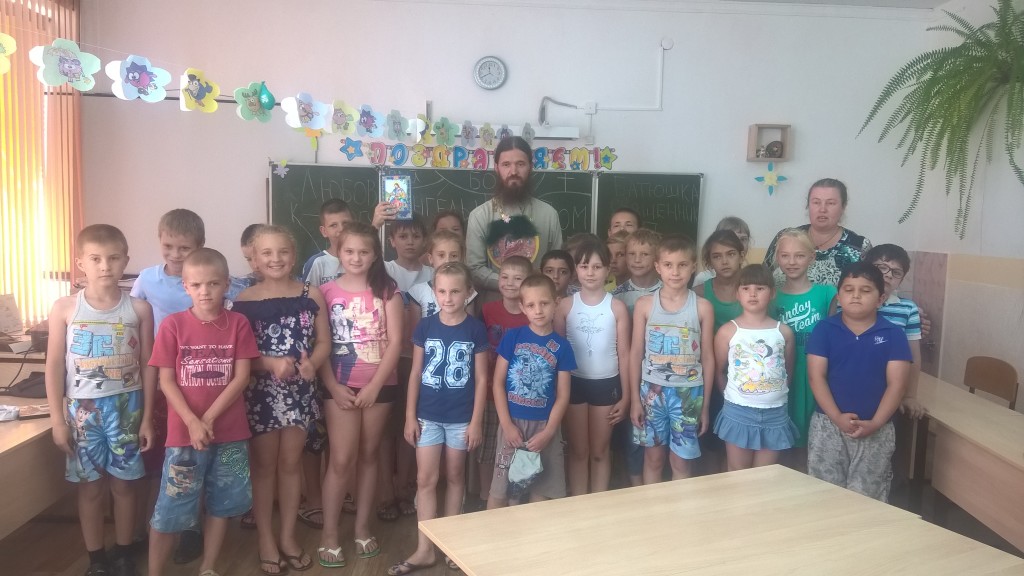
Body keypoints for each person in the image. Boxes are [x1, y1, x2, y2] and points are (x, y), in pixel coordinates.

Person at [45, 224, 155, 576]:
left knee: (124, 485)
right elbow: (54, 365)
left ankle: (123, 552)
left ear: (126, 260)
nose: (105, 266)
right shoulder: (65, 308)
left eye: (113, 258)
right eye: (95, 259)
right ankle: (96, 559)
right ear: (80, 263)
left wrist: (148, 418)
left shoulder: (139, 309)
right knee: (90, 487)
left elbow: (148, 365)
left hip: (127, 408)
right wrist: (57, 420)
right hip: (82, 411)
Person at [147, 248, 260, 576]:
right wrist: (193, 422)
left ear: (226, 284)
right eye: (196, 285)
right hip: (183, 436)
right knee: (170, 508)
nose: (205, 291)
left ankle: (208, 567)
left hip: (231, 434)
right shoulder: (172, 326)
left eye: (213, 284)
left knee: (223, 504)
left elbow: (242, 377)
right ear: (185, 286)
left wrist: (207, 420)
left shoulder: (238, 324)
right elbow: (166, 381)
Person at [232, 226, 331, 574]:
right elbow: (240, 355)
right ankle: (266, 539)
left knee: (290, 465)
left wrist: (313, 364)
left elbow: (324, 342)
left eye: (283, 252)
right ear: (255, 260)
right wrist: (269, 363)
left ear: (294, 255)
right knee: (263, 468)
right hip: (260, 394)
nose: (276, 259)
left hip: (299, 393)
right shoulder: (244, 301)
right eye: (267, 253)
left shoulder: (311, 294)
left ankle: (287, 537)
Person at [388, 263, 489, 576]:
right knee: (425, 480)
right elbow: (415, 373)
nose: (448, 297)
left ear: (468, 292)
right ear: (434, 292)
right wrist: (409, 416)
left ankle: (450, 544)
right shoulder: (425, 326)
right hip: (428, 417)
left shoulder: (475, 329)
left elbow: (482, 379)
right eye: (442, 291)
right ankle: (425, 549)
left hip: (461, 418)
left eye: (455, 291)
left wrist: (476, 422)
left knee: (455, 477)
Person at [317, 222, 403, 567]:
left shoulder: (388, 291)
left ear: (375, 255)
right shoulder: (324, 292)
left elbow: (396, 342)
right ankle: (329, 534)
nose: (356, 257)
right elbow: (320, 345)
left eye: (364, 251)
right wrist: (332, 386)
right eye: (349, 251)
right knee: (341, 460)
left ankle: (362, 528)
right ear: (338, 252)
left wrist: (374, 387)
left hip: (379, 386)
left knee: (369, 456)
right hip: (339, 386)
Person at [130, 208, 209, 564]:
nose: (175, 255)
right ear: (159, 241)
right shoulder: (147, 279)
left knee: (193, 457)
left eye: (184, 248)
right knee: (158, 457)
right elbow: (132, 317)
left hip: (197, 381)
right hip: (158, 382)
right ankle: (150, 528)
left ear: (200, 245)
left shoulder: (203, 279)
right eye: (168, 246)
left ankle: (192, 527)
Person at [806, 263, 911, 502]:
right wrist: (836, 417)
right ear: (839, 295)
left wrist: (876, 423)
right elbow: (816, 377)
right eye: (849, 289)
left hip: (876, 427)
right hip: (827, 425)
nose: (855, 296)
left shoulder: (894, 334)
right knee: (824, 493)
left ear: (880, 299)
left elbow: (897, 385)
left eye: (865, 290)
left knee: (868, 496)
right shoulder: (824, 329)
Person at [629, 234, 714, 484]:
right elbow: (635, 353)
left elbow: (708, 358)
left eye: (682, 265)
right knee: (653, 459)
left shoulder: (703, 307)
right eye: (668, 265)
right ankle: (653, 508)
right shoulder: (645, 305)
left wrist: (705, 406)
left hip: (688, 393)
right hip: (651, 392)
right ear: (658, 267)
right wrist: (634, 399)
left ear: (693, 266)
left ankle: (682, 509)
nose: (675, 272)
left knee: (681, 462)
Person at [488, 274, 576, 508]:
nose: (538, 310)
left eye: (544, 303)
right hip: (512, 424)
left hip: (544, 427)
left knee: (540, 494)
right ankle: (495, 531)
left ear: (556, 303)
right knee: (500, 490)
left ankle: (531, 533)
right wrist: (507, 425)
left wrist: (549, 432)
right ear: (522, 307)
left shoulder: (562, 347)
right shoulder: (513, 337)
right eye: (531, 305)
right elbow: (497, 383)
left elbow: (563, 395)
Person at [554, 240, 630, 495]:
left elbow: (625, 354)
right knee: (578, 451)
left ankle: (599, 504)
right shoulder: (565, 306)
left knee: (599, 452)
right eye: (584, 266)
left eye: (597, 267)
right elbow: (557, 354)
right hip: (574, 384)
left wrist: (626, 396)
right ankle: (579, 504)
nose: (590, 272)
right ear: (576, 269)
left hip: (606, 384)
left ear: (607, 270)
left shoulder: (616, 307)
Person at [712, 264, 797, 471]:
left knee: (765, 476)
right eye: (746, 288)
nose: (752, 294)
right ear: (737, 294)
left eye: (760, 288)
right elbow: (719, 371)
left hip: (775, 413)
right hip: (738, 411)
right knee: (738, 474)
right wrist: (734, 396)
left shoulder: (784, 332)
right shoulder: (727, 331)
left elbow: (788, 371)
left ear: (772, 293)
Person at [466, 137, 563, 303]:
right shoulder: (480, 216)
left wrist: (530, 286)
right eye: (506, 164)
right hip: (494, 308)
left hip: (539, 308)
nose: (513, 171)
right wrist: (512, 284)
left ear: (530, 167)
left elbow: (557, 266)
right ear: (496, 168)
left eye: (520, 164)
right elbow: (474, 270)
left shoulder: (549, 214)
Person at [380, 216, 432, 522]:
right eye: (403, 236)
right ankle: (386, 491)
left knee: (412, 427)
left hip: (424, 362)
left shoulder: (434, 273)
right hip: (392, 359)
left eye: (416, 236)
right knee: (388, 428)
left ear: (425, 240)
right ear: (391, 241)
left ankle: (404, 487)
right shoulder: (386, 270)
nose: (410, 242)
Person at [771, 229, 836, 455]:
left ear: (812, 257)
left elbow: (834, 340)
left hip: (815, 377)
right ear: (778, 258)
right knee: (781, 445)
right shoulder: (770, 296)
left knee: (811, 445)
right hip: (781, 376)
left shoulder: (828, 294)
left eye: (799, 255)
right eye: (785, 256)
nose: (792, 262)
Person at [475, 255, 531, 506]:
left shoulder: (532, 313)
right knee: (488, 448)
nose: (509, 283)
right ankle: (486, 495)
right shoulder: (487, 310)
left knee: (516, 446)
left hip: (521, 396)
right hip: (489, 390)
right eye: (504, 277)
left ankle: (514, 497)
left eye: (517, 278)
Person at [611, 228, 661, 487]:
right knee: (632, 436)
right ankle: (634, 487)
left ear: (657, 258)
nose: (637, 259)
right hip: (627, 374)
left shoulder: (667, 291)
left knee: (657, 439)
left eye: (644, 254)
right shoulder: (617, 295)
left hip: (659, 376)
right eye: (631, 254)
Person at [763, 178, 871, 287]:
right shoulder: (785, 238)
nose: (822, 209)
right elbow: (762, 280)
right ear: (808, 205)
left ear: (843, 207)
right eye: (816, 202)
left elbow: (871, 287)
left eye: (830, 203)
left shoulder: (859, 246)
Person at [862, 244, 926, 420]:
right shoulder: (847, 302)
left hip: (891, 391)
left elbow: (914, 356)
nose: (888, 275)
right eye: (882, 267)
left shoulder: (907, 309)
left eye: (896, 272)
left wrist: (910, 396)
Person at [304, 199, 354, 287]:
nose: (341, 229)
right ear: (324, 231)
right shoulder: (317, 263)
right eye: (333, 225)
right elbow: (307, 294)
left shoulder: (359, 259)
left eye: (345, 223)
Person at [693, 216, 751, 285]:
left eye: (743, 239)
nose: (739, 244)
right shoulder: (703, 279)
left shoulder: (753, 278)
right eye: (731, 238)